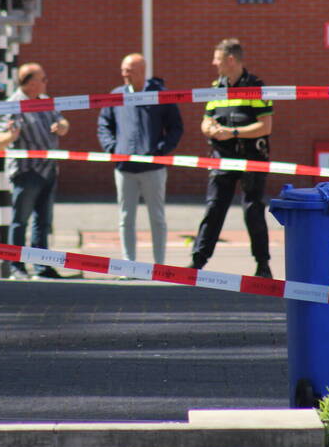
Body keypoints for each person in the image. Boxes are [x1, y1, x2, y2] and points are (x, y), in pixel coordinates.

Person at [188, 38, 274, 279]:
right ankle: (197, 261)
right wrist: (210, 129)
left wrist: (233, 132)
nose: (213, 63)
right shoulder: (216, 88)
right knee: (214, 207)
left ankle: (263, 265)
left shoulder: (256, 87)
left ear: (230, 60)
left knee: (253, 210)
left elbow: (265, 127)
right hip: (221, 158)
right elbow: (206, 119)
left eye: (217, 59)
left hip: (251, 158)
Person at [97, 53, 184, 264]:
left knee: (157, 218)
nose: (125, 74)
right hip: (124, 168)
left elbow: (176, 127)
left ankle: (160, 266)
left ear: (142, 71)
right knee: (126, 218)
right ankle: (129, 265)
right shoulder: (116, 95)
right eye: (124, 70)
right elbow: (104, 125)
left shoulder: (160, 95)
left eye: (130, 70)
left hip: (153, 169)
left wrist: (160, 151)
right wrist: (112, 148)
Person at [0, 63, 70, 279]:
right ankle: (16, 267)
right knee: (20, 220)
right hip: (26, 172)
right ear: (30, 82)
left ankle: (42, 266)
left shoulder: (45, 101)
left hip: (48, 169)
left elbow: (62, 121)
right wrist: (11, 136)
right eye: (43, 79)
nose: (46, 82)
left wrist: (62, 126)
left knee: (43, 221)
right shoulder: (12, 105)